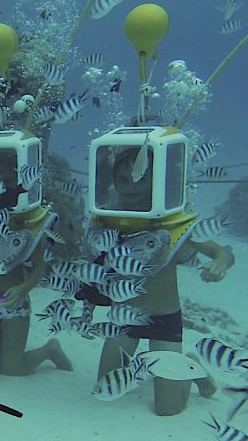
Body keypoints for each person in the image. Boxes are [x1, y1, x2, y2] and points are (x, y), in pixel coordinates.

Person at [91, 147, 235, 415]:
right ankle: (174, 366)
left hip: (164, 318)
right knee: (106, 388)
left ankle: (193, 368)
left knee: (167, 410)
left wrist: (219, 264)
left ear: (156, 179)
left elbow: (223, 252)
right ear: (113, 181)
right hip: (123, 318)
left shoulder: (172, 221)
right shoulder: (107, 219)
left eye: (140, 178)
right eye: (123, 179)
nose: (131, 186)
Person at [0, 149, 73, 377]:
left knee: (12, 368)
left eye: (8, 184)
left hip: (14, 301)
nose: (1, 192)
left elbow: (39, 266)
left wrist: (22, 289)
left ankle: (50, 349)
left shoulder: (23, 219)